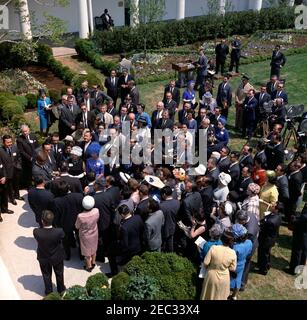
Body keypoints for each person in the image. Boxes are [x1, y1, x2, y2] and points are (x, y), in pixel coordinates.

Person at [33, 210, 66, 296]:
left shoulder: (36, 232)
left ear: (42, 221)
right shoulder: (59, 231)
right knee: (59, 273)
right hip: (57, 257)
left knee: (46, 275)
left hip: (43, 258)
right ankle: (61, 290)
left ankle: (49, 292)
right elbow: (62, 237)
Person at [200, 230, 237, 300]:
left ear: (221, 239)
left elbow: (206, 262)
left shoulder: (214, 248)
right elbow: (233, 268)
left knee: (208, 294)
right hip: (224, 277)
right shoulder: (233, 253)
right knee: (220, 295)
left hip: (211, 274)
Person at [75, 196, 99, 272]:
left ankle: (89, 266)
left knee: (87, 253)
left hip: (85, 236)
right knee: (94, 249)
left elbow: (77, 226)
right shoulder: (96, 211)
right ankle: (94, 262)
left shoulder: (80, 216)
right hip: (94, 232)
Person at [257, 202, 282, 275]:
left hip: (266, 240)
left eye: (273, 206)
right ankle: (266, 265)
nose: (271, 206)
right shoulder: (278, 216)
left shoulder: (271, 221)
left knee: (264, 254)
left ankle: (263, 270)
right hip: (270, 239)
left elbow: (262, 225)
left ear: (276, 209)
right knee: (266, 253)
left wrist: (263, 221)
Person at [229, 224, 252, 300]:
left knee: (229, 280)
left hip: (233, 266)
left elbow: (231, 258)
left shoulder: (235, 247)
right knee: (238, 280)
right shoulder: (249, 242)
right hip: (242, 264)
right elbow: (249, 253)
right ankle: (234, 295)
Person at [160, 186, 180, 252]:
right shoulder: (177, 202)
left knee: (166, 244)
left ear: (164, 194)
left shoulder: (161, 206)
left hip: (165, 228)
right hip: (174, 226)